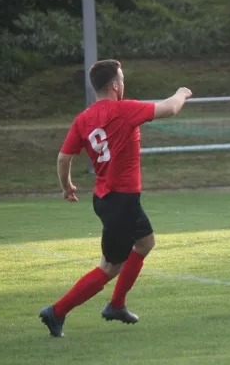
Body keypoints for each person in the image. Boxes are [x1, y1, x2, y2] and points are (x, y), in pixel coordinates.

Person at [39, 59, 192, 337]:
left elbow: (64, 157)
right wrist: (182, 92)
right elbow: (170, 107)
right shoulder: (124, 110)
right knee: (109, 267)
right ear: (114, 85)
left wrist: (67, 186)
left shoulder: (83, 118)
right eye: (121, 80)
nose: (123, 85)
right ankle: (57, 311)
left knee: (145, 242)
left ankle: (117, 304)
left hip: (110, 199)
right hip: (121, 200)